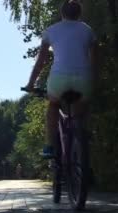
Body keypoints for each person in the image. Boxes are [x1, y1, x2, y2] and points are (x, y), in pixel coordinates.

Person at [25, 0, 96, 159]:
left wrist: (31, 84)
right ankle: (83, 137)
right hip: (83, 80)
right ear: (79, 13)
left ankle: (49, 146)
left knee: (53, 105)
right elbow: (94, 60)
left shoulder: (51, 30)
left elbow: (41, 62)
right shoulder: (88, 30)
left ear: (62, 13)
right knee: (83, 107)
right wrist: (93, 80)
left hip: (58, 80)